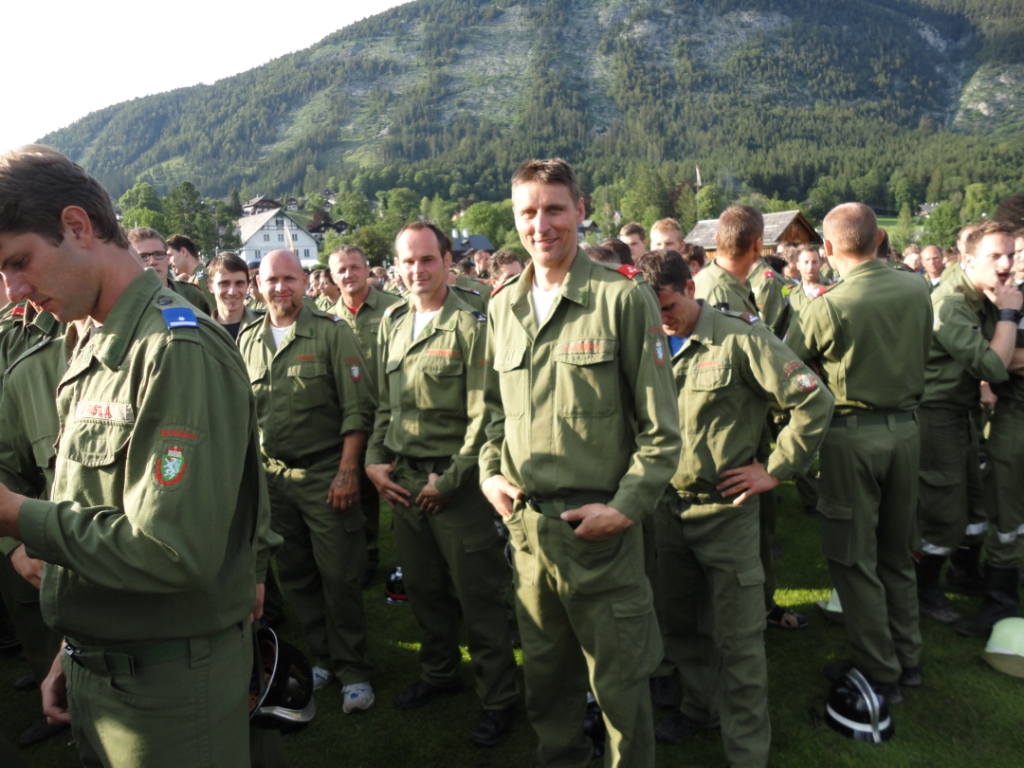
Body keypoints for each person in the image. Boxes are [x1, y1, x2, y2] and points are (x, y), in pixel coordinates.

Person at [0, 145, 266, 766]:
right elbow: (95, 502)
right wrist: (75, 651)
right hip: (108, 667)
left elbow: (171, 551)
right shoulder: (95, 339)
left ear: (77, 226)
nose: (13, 292)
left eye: (19, 262)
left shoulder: (174, 350)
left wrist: (15, 514)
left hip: (165, 689)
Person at [480, 158, 682, 768]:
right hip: (528, 533)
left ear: (581, 210)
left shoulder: (622, 298)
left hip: (599, 536)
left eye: (554, 209)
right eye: (528, 212)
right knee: (547, 684)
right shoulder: (503, 305)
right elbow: (492, 411)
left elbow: (661, 432)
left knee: (621, 690)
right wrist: (490, 471)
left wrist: (623, 510)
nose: (540, 224)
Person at [637, 249, 832, 766]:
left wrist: (776, 468)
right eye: (653, 311)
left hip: (726, 512)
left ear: (691, 289)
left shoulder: (740, 337)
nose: (663, 319)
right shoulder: (648, 341)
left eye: (669, 306)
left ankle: (747, 751)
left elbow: (813, 400)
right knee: (683, 626)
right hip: (667, 509)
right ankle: (701, 708)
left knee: (740, 639)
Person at [366, 222, 519, 747]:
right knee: (424, 591)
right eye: (407, 261)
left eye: (427, 259)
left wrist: (450, 480)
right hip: (404, 482)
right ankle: (439, 673)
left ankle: (498, 698)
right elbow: (384, 407)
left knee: (479, 599)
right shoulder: (392, 322)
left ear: (448, 261)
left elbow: (486, 415)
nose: (417, 270)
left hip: (458, 485)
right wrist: (374, 461)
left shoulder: (471, 324)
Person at [788, 202, 933, 704]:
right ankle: (907, 658)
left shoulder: (827, 305)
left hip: (853, 437)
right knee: (897, 552)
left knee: (853, 558)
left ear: (827, 248)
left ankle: (879, 669)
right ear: (879, 240)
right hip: (908, 431)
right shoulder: (918, 288)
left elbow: (788, 366)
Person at [237, 249, 376, 713]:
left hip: (325, 474)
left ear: (305, 281)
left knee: (339, 574)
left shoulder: (332, 332)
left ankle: (354, 670)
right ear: (259, 285)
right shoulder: (250, 340)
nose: (280, 288)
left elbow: (358, 409)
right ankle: (323, 658)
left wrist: (347, 472)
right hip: (274, 479)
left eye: (289, 279)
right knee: (296, 574)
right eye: (271, 280)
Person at [694, 206, 801, 631]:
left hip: (739, 430)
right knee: (741, 543)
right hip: (729, 440)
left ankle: (756, 609)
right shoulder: (716, 293)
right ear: (758, 245)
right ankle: (747, 617)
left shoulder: (724, 285)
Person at [915, 221, 1022, 625]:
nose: (1006, 264)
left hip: (964, 412)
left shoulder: (984, 295)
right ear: (968, 259)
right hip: (936, 415)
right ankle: (922, 588)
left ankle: (964, 572)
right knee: (943, 510)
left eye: (1010, 254)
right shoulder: (952, 303)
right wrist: (1009, 313)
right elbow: (994, 365)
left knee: (975, 505)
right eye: (995, 256)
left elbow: (1005, 354)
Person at [328, 244, 403, 587]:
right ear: (332, 276)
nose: (349, 274)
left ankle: (410, 562)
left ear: (367, 269)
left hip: (394, 418)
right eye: (341, 270)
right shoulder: (325, 317)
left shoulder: (395, 308)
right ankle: (367, 557)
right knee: (358, 495)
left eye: (355, 267)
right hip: (351, 422)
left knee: (402, 491)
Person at [126, 227, 211, 314]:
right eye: (143, 256)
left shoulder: (192, 295)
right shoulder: (124, 302)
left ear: (167, 258)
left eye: (158, 254)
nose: (152, 262)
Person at [207, 253, 261, 339]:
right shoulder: (203, 331)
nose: (232, 292)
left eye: (239, 283)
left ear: (247, 285)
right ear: (210, 286)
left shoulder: (266, 324)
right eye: (224, 283)